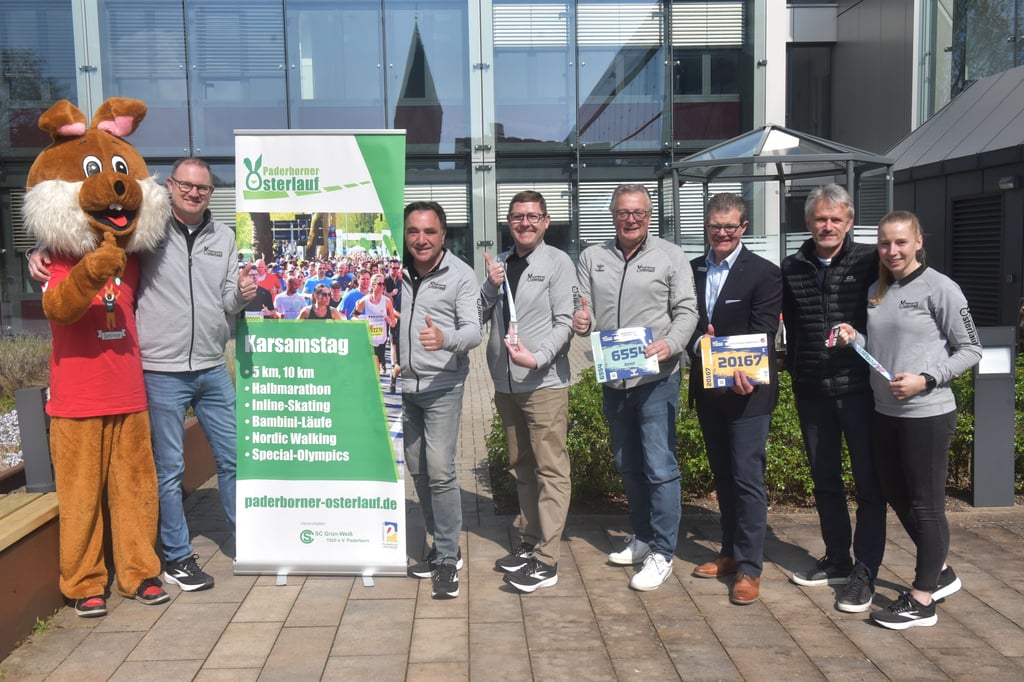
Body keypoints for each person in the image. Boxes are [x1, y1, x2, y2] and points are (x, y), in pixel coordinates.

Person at [31, 157, 256, 592]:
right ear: (170, 186)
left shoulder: (224, 236)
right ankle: (176, 557)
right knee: (169, 470)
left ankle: (249, 539)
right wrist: (38, 249)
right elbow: (83, 234)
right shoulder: (144, 234)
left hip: (211, 366)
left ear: (212, 192)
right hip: (160, 370)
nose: (194, 193)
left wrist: (243, 295)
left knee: (234, 459)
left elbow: (228, 301)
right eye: (187, 186)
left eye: (203, 188)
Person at [832, 210, 981, 629]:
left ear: (918, 242)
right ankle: (942, 573)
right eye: (884, 243)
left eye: (900, 242)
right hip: (885, 411)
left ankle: (922, 599)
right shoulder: (879, 289)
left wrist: (926, 379)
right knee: (898, 497)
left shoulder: (941, 289)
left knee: (926, 506)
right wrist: (853, 336)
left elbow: (971, 349)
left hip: (926, 413)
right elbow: (882, 344)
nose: (892, 251)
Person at [572, 184, 698, 591]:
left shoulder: (671, 256)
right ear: (612, 214)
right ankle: (643, 536)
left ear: (650, 216)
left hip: (657, 377)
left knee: (659, 466)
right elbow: (583, 305)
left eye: (639, 213)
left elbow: (687, 311)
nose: (632, 219)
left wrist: (672, 344)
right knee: (628, 462)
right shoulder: (593, 256)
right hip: (615, 378)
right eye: (624, 212)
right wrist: (580, 320)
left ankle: (663, 551)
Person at [781, 184, 889, 613]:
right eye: (819, 219)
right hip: (811, 389)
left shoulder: (870, 261)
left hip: (860, 390)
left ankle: (865, 570)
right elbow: (778, 321)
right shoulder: (792, 265)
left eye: (836, 219)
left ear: (849, 221)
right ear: (807, 223)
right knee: (825, 483)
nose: (827, 226)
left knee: (868, 486)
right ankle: (838, 558)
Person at [685, 193, 781, 605]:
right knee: (722, 476)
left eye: (730, 226)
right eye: (714, 227)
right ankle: (727, 552)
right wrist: (696, 346)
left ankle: (749, 568)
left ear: (744, 228)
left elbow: (762, 332)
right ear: (706, 227)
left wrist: (727, 356)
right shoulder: (691, 270)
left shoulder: (764, 273)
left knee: (746, 478)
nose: (721, 234)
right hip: (709, 391)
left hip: (748, 393)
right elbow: (683, 322)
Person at [481, 191, 575, 593]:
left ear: (546, 221)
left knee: (550, 469)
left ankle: (547, 560)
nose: (525, 223)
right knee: (521, 466)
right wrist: (488, 287)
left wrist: (538, 358)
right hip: (505, 383)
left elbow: (566, 321)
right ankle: (530, 539)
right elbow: (479, 315)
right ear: (509, 221)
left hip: (544, 383)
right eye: (518, 217)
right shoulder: (498, 264)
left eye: (533, 216)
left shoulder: (557, 263)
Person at [401, 201, 483, 599]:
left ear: (443, 235)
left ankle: (448, 557)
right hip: (402, 388)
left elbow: (473, 332)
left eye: (429, 232)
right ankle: (438, 541)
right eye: (414, 231)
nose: (421, 239)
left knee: (440, 469)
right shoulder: (391, 273)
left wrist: (444, 339)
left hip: (442, 386)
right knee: (417, 469)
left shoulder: (461, 274)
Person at [352, 273, 398, 374]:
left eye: (383, 284)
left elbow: (394, 323)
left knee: (376, 362)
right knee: (373, 362)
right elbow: (353, 317)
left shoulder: (387, 301)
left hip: (381, 338)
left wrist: (390, 321)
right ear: (373, 285)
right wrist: (364, 323)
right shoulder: (364, 300)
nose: (382, 286)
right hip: (368, 338)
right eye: (380, 284)